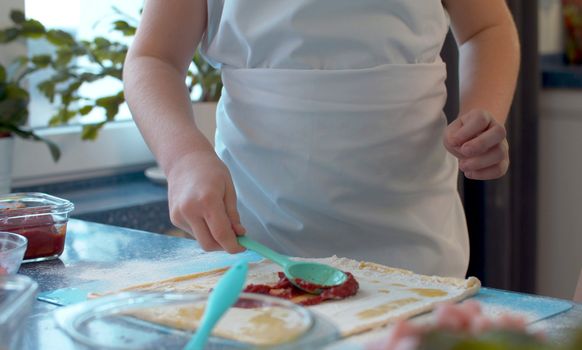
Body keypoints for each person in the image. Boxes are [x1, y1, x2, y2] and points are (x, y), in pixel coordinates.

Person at [124, 0, 520, 278]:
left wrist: (481, 117)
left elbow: (488, 29)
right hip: (259, 242)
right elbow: (153, 58)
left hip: (418, 246)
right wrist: (182, 158)